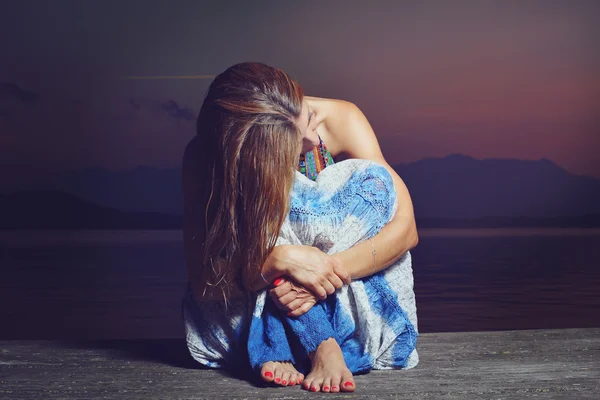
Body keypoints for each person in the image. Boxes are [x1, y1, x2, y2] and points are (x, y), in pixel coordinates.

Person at [181, 61, 419, 393]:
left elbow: (406, 229)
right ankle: (313, 344)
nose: (314, 135)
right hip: (256, 307)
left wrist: (322, 271)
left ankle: (319, 342)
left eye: (307, 115)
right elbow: (205, 281)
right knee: (261, 202)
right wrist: (279, 260)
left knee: (374, 181)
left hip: (342, 293)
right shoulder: (205, 159)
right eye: (296, 137)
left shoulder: (342, 119)